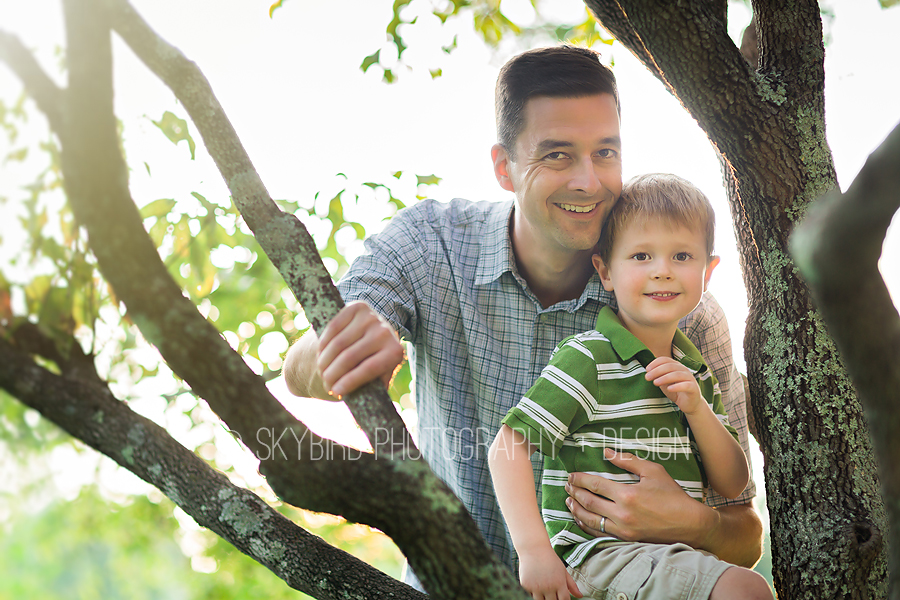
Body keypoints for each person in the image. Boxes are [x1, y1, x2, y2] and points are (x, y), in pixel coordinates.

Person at [282, 45, 762, 587]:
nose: (589, 181)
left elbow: (744, 532)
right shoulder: (429, 245)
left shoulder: (680, 310)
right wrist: (340, 349)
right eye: (557, 155)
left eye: (605, 153)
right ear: (504, 168)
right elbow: (301, 366)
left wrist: (693, 523)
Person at [488, 173, 772, 600]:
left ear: (707, 272)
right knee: (745, 591)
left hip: (674, 554)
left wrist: (697, 408)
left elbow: (733, 485)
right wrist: (534, 553)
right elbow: (507, 446)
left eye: (681, 255)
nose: (662, 271)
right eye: (641, 256)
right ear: (605, 271)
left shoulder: (696, 372)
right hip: (601, 555)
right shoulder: (589, 358)